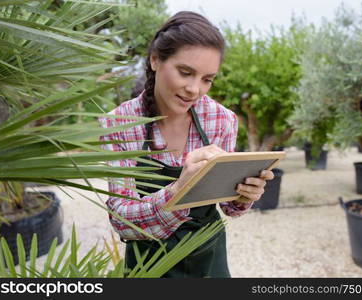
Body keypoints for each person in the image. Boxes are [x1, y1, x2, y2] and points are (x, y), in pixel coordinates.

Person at [99, 11, 274, 278]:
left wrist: (246, 194)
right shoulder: (119, 125)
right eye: (185, 72)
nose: (195, 89)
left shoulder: (221, 120)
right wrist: (180, 189)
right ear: (155, 60)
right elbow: (122, 222)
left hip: (209, 260)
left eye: (207, 79)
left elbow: (229, 207)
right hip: (149, 265)